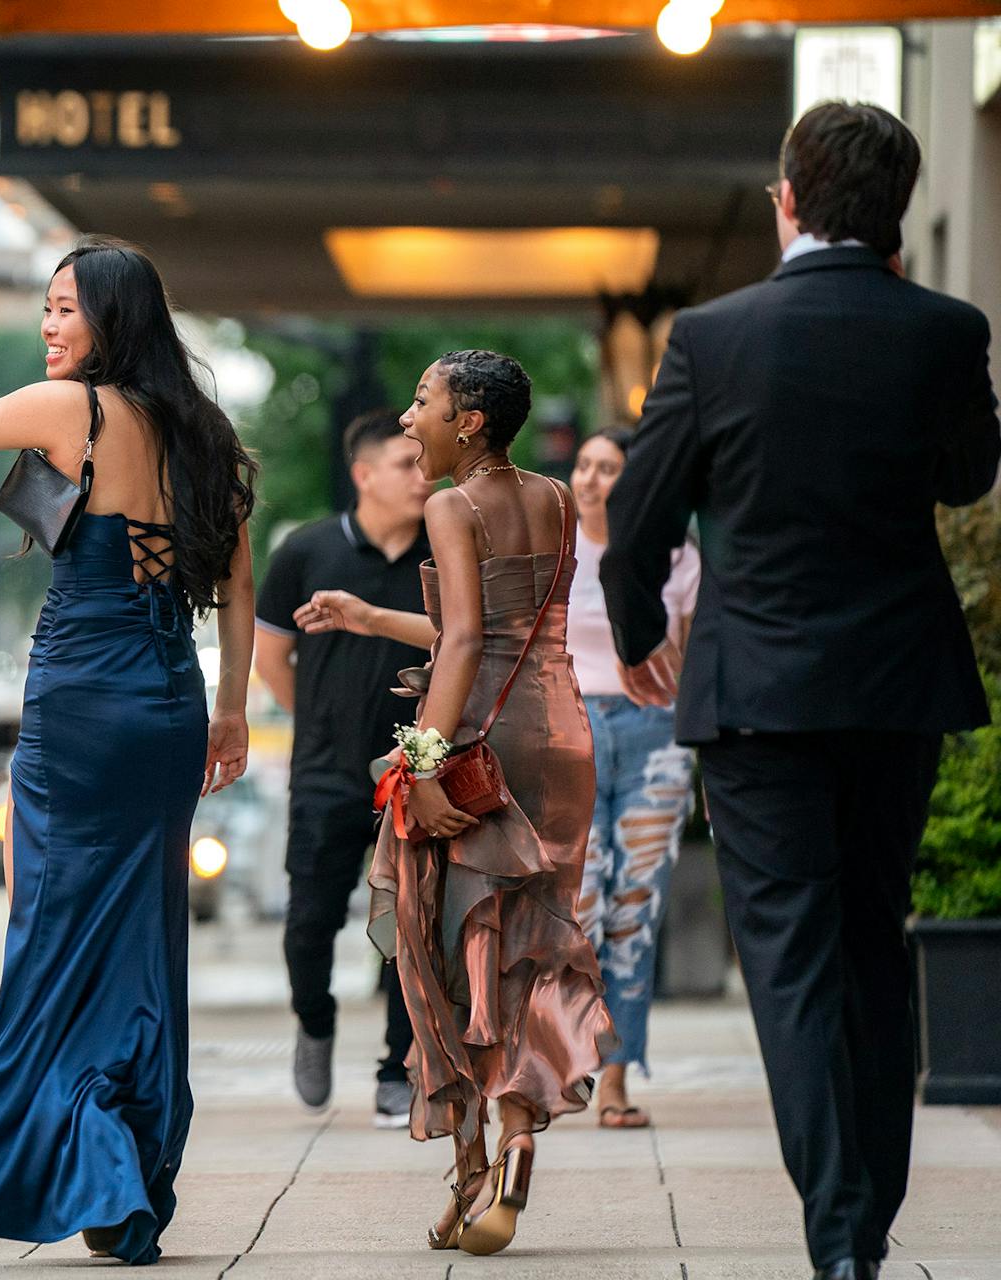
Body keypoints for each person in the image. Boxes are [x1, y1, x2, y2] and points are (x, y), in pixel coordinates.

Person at [602, 102, 999, 1280]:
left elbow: (637, 514)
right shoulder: (944, 326)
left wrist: (632, 635)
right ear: (891, 209)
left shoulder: (713, 336)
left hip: (753, 688)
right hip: (895, 679)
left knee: (788, 958)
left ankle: (839, 1234)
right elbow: (970, 476)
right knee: (874, 940)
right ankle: (860, 1223)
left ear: (786, 199)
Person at [0, 237, 257, 1267]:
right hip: (172, 700)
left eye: (63, 310)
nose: (48, 328)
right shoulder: (207, 434)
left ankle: (89, 1149)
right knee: (140, 932)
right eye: (45, 311)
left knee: (51, 929)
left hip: (82, 703)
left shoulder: (71, 411)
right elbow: (237, 587)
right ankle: (127, 1156)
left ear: (111, 320)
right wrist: (231, 712)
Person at [301, 350, 614, 1257]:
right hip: (561, 738)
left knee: (449, 952)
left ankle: (479, 1161)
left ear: (469, 420)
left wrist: (426, 762)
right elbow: (499, 626)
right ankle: (510, 1159)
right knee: (530, 948)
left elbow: (469, 639)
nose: (409, 419)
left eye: (424, 403)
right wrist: (372, 617)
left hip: (481, 741)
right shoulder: (554, 499)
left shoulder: (448, 503)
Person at [254, 409, 431, 1125]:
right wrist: (322, 726)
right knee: (309, 923)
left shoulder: (441, 550)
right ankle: (315, 1021)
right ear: (363, 474)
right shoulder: (306, 550)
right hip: (326, 772)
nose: (423, 477)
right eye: (405, 464)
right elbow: (271, 659)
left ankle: (396, 1068)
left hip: (418, 769)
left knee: (405, 928)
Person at [566, 428, 700, 1130]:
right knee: (582, 909)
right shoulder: (554, 548)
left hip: (654, 736)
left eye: (609, 468)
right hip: (573, 732)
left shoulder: (673, 554)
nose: (591, 479)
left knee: (635, 912)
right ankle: (575, 1064)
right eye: (584, 465)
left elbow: (690, 650)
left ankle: (615, 1078)